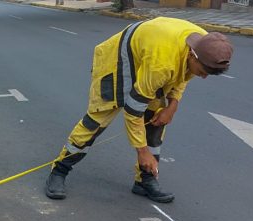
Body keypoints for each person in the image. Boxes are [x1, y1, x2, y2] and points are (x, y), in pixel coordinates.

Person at [45, 17, 233, 203]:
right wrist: (142, 152)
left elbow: (182, 74)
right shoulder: (163, 63)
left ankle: (145, 180)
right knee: (96, 122)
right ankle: (59, 171)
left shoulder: (206, 44)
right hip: (118, 61)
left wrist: (172, 105)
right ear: (192, 54)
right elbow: (133, 110)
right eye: (202, 72)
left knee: (156, 122)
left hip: (147, 59)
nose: (203, 77)